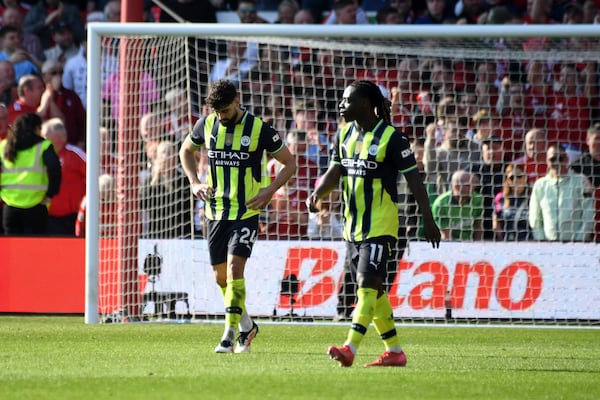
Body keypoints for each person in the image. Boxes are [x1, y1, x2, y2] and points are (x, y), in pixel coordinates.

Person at [306, 80, 441, 367]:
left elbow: (415, 182)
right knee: (376, 294)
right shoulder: (344, 135)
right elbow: (335, 171)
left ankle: (349, 349)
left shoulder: (392, 138)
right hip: (352, 227)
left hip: (380, 226)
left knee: (366, 286)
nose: (341, 105)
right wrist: (318, 192)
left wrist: (428, 221)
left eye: (347, 100)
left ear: (366, 104)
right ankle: (395, 351)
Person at [179, 79, 296, 353]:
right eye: (217, 111)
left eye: (226, 110)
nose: (222, 116)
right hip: (215, 210)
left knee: (234, 270)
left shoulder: (259, 128)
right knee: (220, 277)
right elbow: (186, 151)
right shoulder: (206, 124)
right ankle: (247, 325)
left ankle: (229, 335)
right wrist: (194, 182)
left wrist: (269, 190)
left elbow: (290, 163)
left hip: (246, 211)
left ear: (237, 101)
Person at [0, 112, 61, 235]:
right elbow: (55, 171)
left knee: (12, 251)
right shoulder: (44, 146)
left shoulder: (3, 146)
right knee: (36, 250)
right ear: (36, 128)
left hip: (10, 206)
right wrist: (50, 194)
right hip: (36, 207)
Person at [529, 143, 594, 242]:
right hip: (547, 246)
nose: (556, 162)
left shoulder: (581, 181)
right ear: (547, 161)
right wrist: (542, 242)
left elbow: (588, 214)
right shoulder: (540, 185)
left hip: (577, 245)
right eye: (552, 159)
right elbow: (535, 218)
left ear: (567, 159)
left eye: (560, 158)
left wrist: (579, 241)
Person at [40, 118, 86, 236]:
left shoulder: (75, 154)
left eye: (45, 135)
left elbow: (95, 175)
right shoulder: (40, 155)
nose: (42, 139)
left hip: (71, 217)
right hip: (47, 216)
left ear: (58, 137)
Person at [140, 140, 193, 239]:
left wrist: (169, 184)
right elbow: (143, 203)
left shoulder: (184, 181)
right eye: (162, 154)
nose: (165, 158)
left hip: (181, 235)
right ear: (157, 158)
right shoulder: (150, 182)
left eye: (169, 153)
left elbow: (186, 206)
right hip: (156, 235)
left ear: (175, 158)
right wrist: (155, 178)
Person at [431, 169, 484, 241]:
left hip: (471, 243)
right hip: (450, 244)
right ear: (456, 187)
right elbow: (446, 235)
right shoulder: (441, 204)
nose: (473, 188)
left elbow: (478, 227)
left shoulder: (477, 199)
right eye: (468, 185)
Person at [493, 163, 531, 241]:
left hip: (529, 241)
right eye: (512, 177)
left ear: (525, 177)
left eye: (519, 176)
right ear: (507, 180)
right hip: (508, 243)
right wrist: (501, 238)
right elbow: (496, 222)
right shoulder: (500, 198)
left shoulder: (533, 197)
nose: (516, 180)